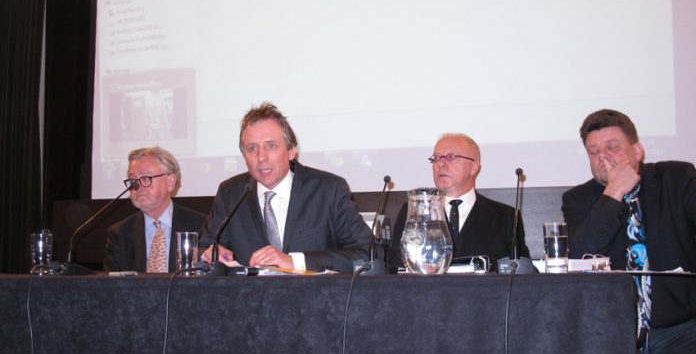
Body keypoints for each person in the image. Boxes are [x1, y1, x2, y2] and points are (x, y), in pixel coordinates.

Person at [562, 109, 696, 354]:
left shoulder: (677, 178)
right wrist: (613, 193)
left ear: (637, 151)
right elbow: (581, 257)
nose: (603, 157)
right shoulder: (578, 199)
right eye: (594, 151)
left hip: (681, 329)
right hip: (611, 333)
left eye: (612, 147)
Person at [199, 102, 371, 273]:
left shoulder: (328, 190)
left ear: (291, 151)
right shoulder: (231, 193)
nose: (261, 157)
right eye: (252, 148)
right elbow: (203, 249)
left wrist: (294, 261)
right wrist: (213, 254)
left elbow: (366, 253)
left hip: (316, 297)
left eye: (271, 146)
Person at [389, 133, 529, 273]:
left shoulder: (505, 217)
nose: (441, 164)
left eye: (451, 157)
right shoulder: (414, 212)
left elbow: (524, 271)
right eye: (436, 158)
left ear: (474, 167)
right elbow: (395, 265)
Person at [104, 146, 206, 272]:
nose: (137, 187)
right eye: (132, 180)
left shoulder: (201, 226)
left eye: (146, 178)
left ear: (170, 182)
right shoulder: (120, 233)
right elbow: (110, 286)